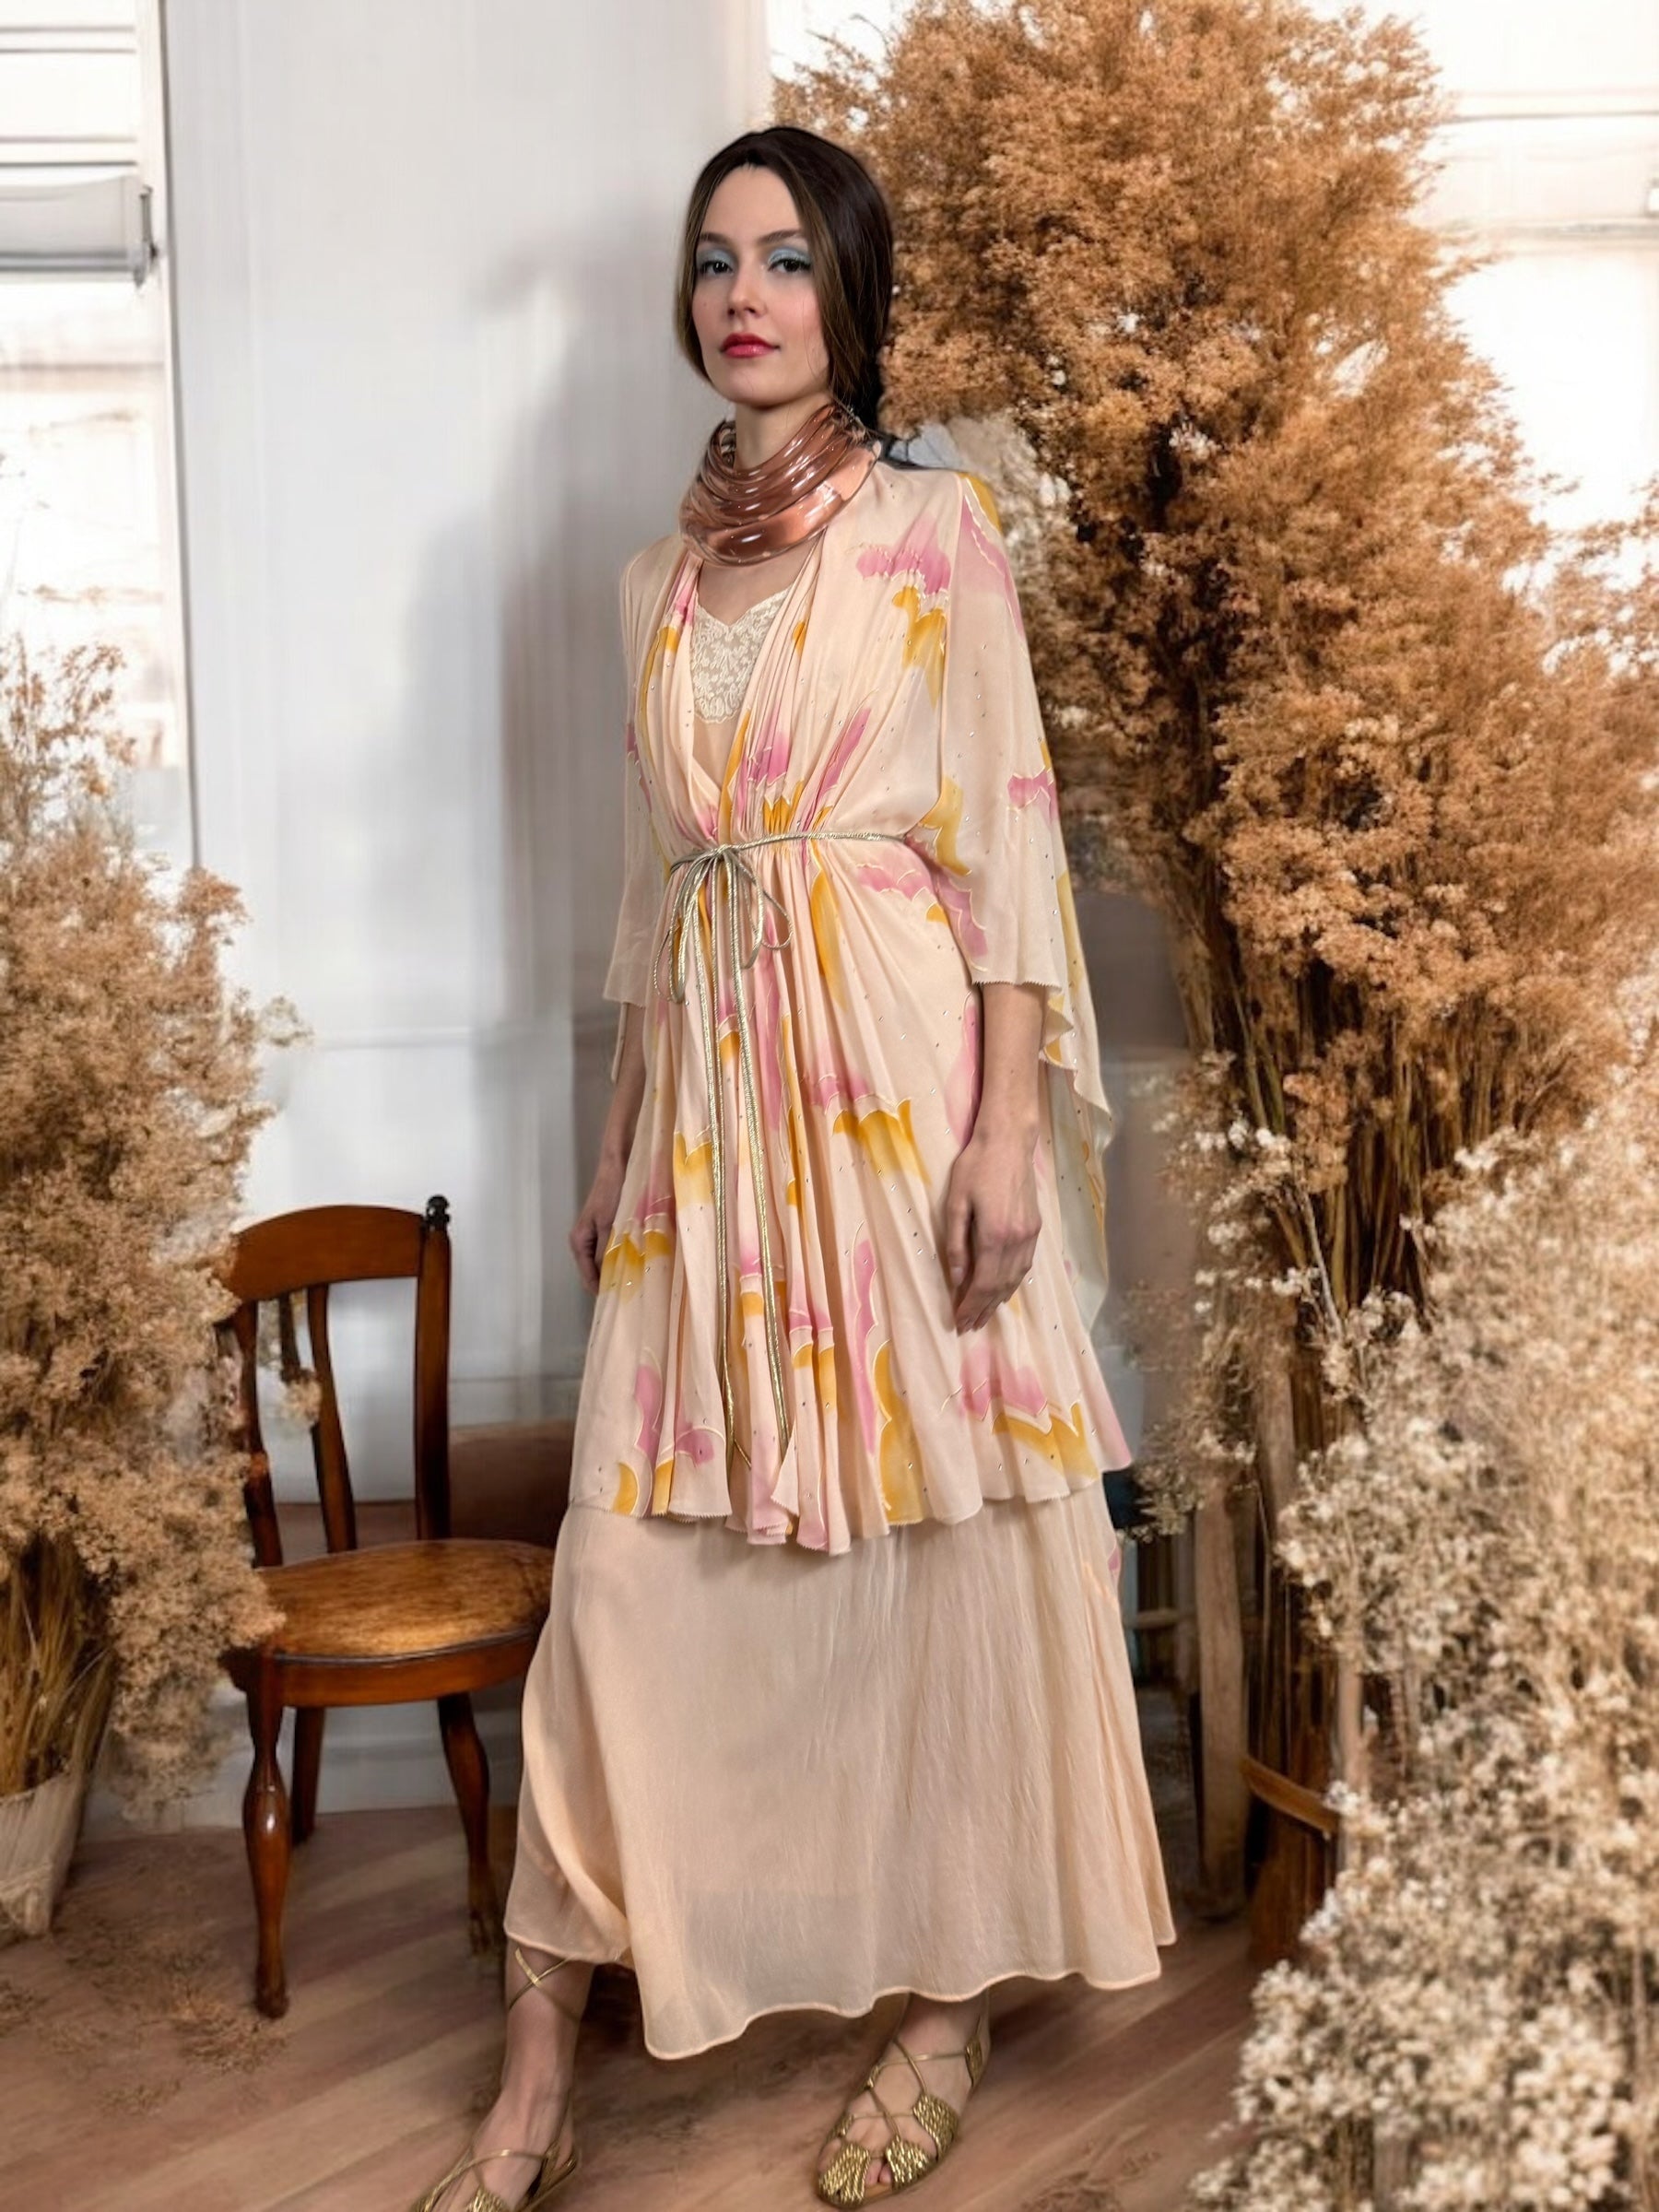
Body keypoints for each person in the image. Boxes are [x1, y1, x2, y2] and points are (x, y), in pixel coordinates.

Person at [414, 123, 1175, 2212]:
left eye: (783, 259)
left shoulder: (938, 533)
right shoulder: (650, 583)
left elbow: (1004, 838)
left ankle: (944, 2001)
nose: (742, 295)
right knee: (628, 1572)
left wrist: (1007, 1127)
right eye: (712, 260)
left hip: (902, 1083)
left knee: (949, 1542)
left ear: (850, 293)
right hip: (712, 1119)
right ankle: (537, 2072)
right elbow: (652, 888)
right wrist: (618, 1135)